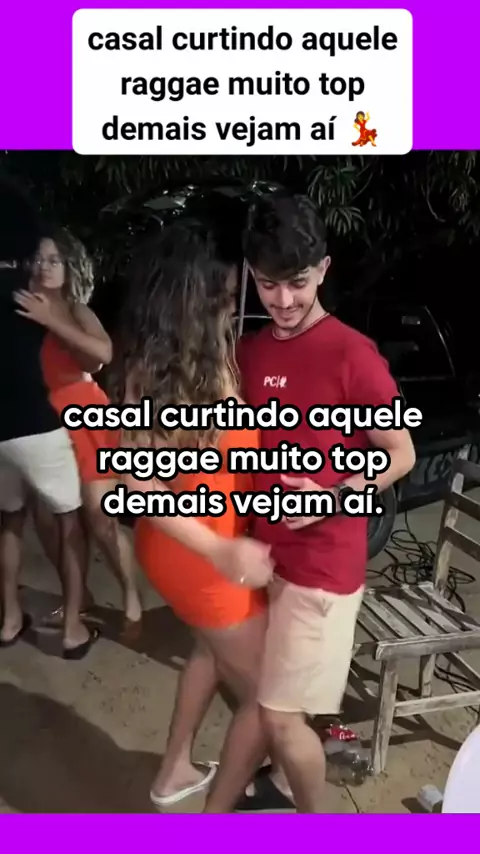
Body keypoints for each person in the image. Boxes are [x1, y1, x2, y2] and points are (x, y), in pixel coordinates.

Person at [232, 192, 416, 812]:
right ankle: (281, 782)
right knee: (273, 695)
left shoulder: (352, 355)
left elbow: (400, 453)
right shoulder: (251, 351)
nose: (283, 300)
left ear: (324, 270)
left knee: (281, 716)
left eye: (298, 282)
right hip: (265, 556)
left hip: (324, 567)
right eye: (268, 284)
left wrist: (333, 496)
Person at [115, 220, 273, 813]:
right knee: (271, 695)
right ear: (194, 300)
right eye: (225, 295)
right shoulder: (157, 374)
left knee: (209, 652)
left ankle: (173, 771)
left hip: (192, 549)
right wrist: (221, 551)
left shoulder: (195, 358)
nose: (236, 303)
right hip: (200, 557)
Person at [13, 226, 143, 638]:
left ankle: (131, 594)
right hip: (39, 420)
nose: (45, 266)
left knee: (100, 517)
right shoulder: (18, 308)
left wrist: (52, 319)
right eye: (38, 258)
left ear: (70, 267)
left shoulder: (77, 310)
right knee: (47, 519)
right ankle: (78, 595)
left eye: (54, 259)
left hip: (84, 417)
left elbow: (101, 355)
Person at [0, 177, 95, 658]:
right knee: (69, 523)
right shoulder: (29, 295)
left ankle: (9, 620)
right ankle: (73, 629)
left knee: (10, 522)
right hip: (40, 426)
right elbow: (93, 354)